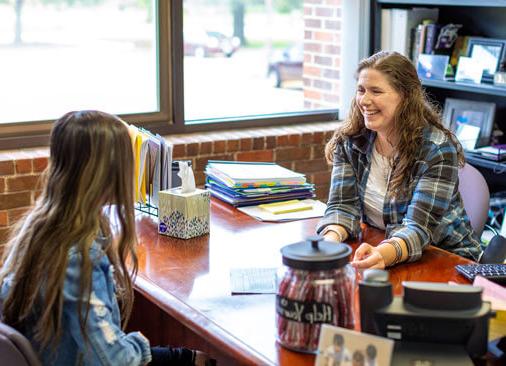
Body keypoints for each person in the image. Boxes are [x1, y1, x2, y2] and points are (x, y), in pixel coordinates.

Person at [0, 111, 211, 365]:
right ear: (107, 172)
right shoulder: (79, 257)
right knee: (201, 359)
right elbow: (115, 360)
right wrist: (145, 344)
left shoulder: (39, 228)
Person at [317, 51, 482, 269]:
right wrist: (328, 246)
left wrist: (381, 255)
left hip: (447, 259)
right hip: (387, 250)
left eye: (376, 91)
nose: (364, 100)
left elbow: (418, 228)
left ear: (405, 96)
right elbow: (342, 206)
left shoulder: (437, 149)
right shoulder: (351, 141)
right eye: (361, 90)